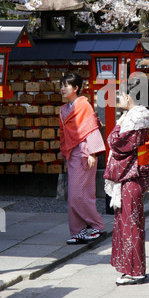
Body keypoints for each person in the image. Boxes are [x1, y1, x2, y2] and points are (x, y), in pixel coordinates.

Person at [104, 77, 149, 285]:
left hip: (132, 174)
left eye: (120, 94)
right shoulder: (134, 116)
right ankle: (131, 268)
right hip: (131, 173)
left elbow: (117, 144)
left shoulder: (137, 117)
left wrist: (116, 128)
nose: (118, 97)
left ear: (129, 96)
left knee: (131, 223)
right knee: (126, 221)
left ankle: (136, 271)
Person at [59, 72, 106, 245]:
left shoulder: (84, 106)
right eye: (61, 85)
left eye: (66, 85)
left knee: (78, 194)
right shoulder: (64, 110)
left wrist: (92, 153)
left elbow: (91, 128)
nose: (62, 89)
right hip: (72, 154)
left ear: (76, 88)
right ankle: (79, 231)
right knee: (78, 194)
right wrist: (65, 154)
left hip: (85, 153)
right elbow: (63, 135)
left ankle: (95, 225)